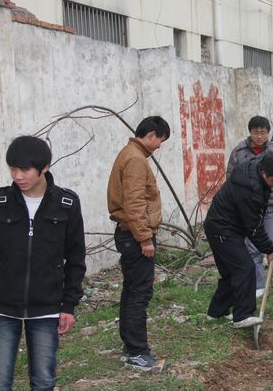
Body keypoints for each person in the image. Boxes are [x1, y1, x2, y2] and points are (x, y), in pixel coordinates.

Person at [0, 136, 86, 389]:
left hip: (47, 307)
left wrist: (69, 305)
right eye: (12, 169)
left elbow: (75, 258)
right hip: (1, 307)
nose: (18, 176)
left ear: (44, 168)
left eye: (24, 169)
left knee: (43, 381)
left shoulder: (67, 204)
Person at [107, 116, 170, 371]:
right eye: (160, 140)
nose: (159, 146)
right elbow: (133, 203)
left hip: (130, 232)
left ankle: (130, 347)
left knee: (132, 290)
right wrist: (145, 237)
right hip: (135, 235)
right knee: (139, 293)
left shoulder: (131, 153)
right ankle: (137, 352)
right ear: (152, 134)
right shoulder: (135, 159)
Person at [204, 154, 273, 328]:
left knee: (230, 272)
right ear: (265, 174)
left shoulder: (256, 168)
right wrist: (269, 249)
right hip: (222, 229)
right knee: (245, 267)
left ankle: (216, 312)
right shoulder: (251, 189)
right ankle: (242, 315)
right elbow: (254, 227)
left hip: (221, 226)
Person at [226, 116, 273, 299]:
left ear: (268, 133)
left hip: (271, 206)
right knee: (252, 247)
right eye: (255, 132)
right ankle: (258, 285)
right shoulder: (239, 152)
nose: (259, 136)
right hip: (248, 207)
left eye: (263, 133)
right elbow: (230, 178)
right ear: (250, 132)